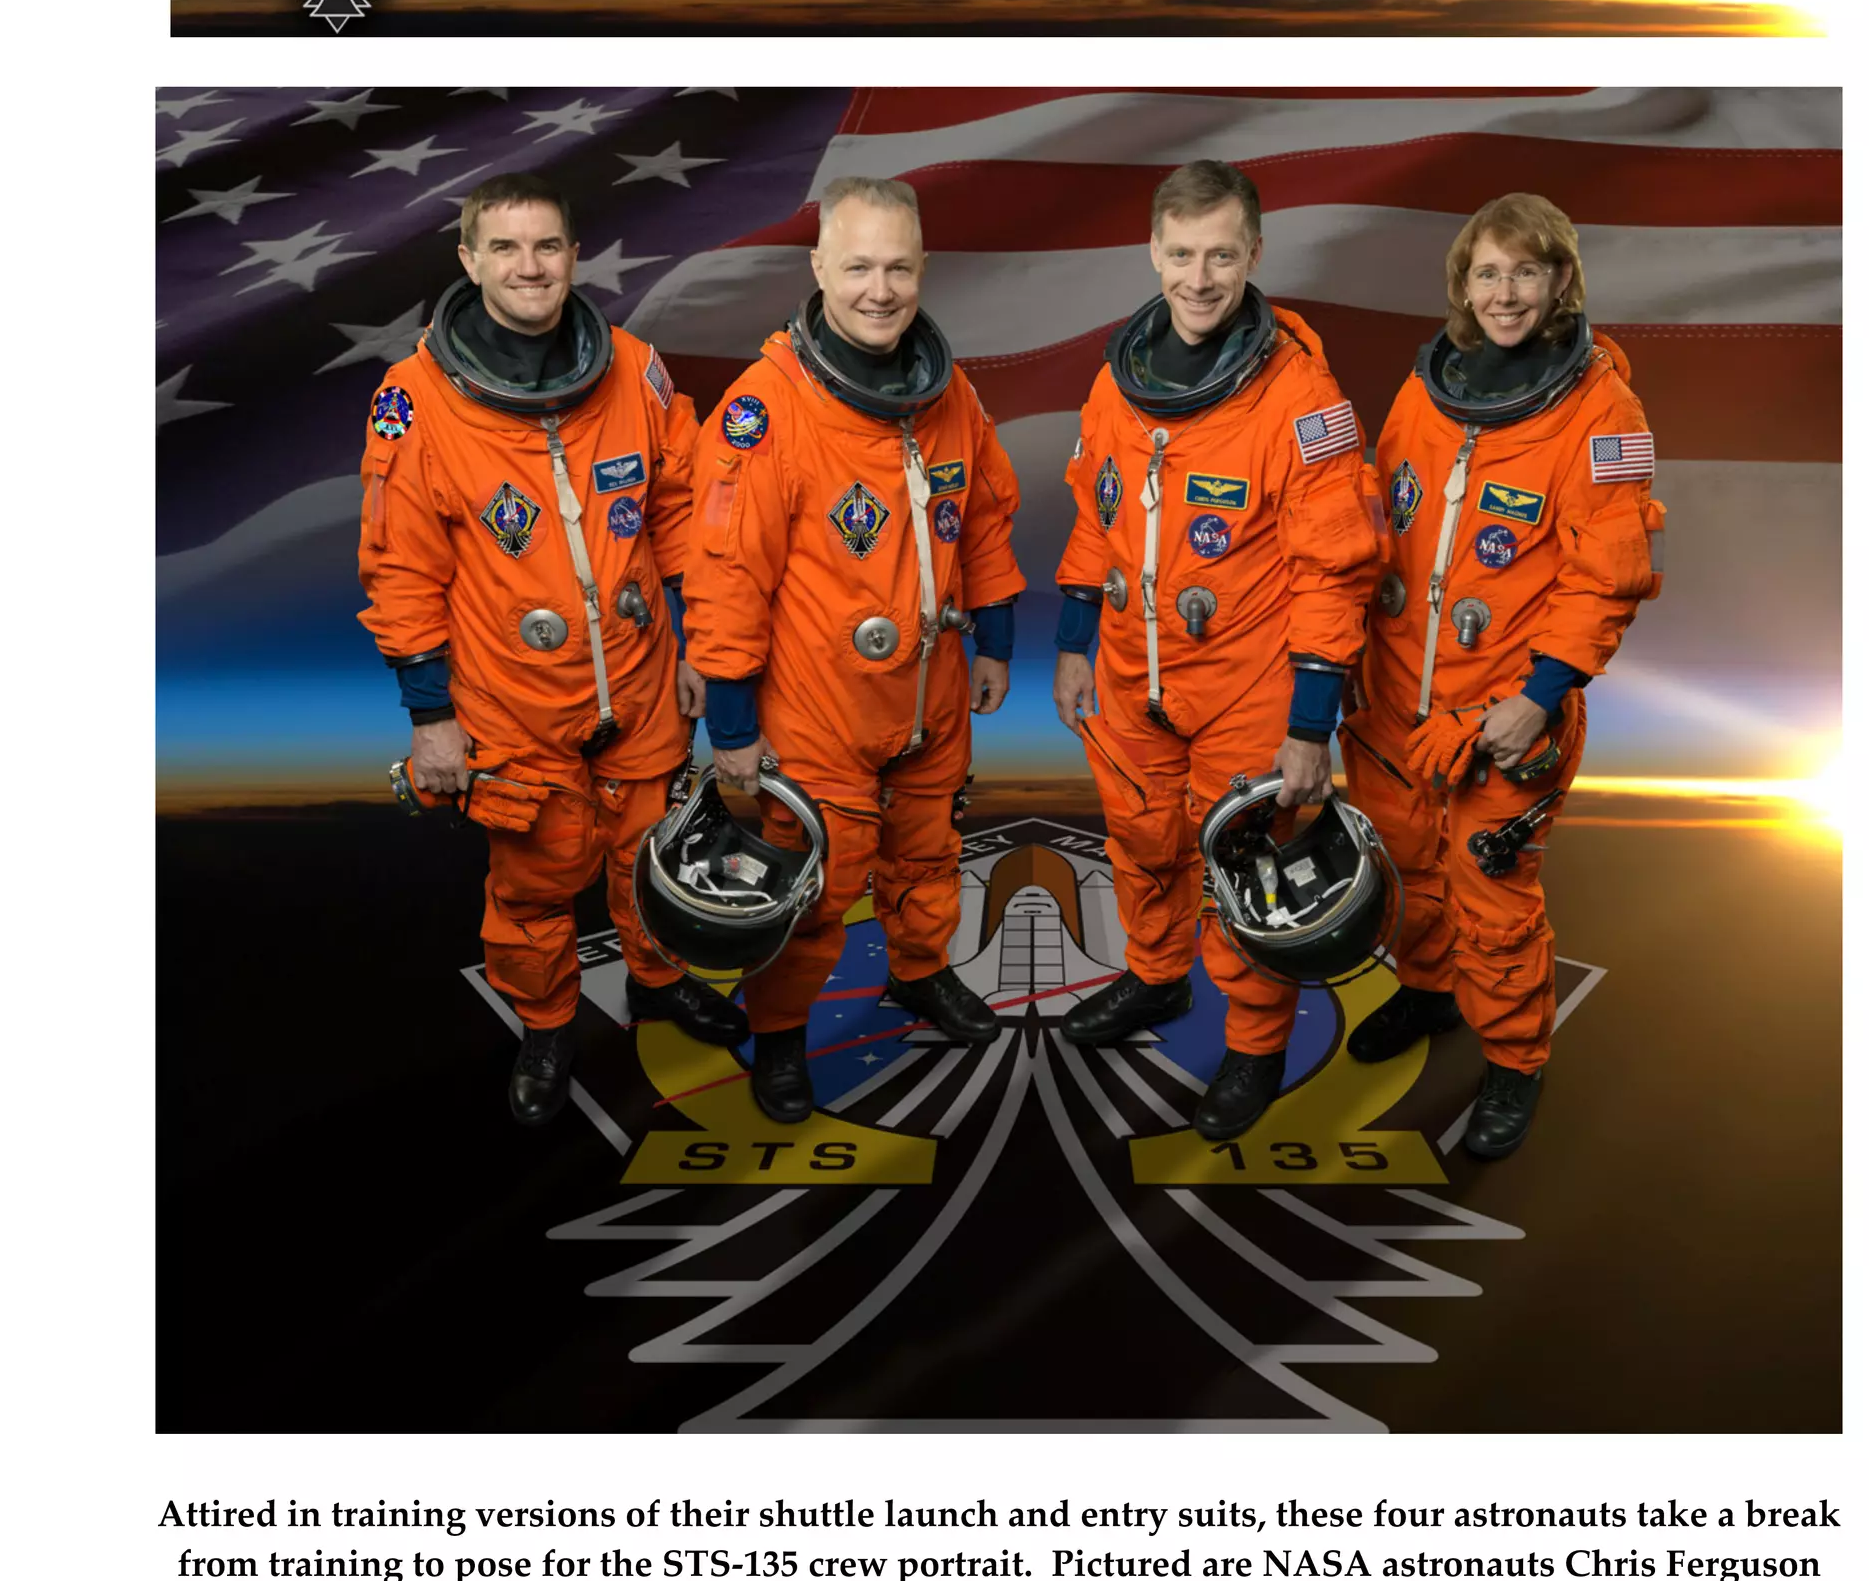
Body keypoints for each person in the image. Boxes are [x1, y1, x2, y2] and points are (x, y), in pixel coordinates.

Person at [357, 174, 747, 1126]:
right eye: (505, 248)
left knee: (654, 853)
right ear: (469, 260)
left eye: (546, 247)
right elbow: (399, 569)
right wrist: (431, 718)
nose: (529, 266)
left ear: (574, 255)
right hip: (511, 699)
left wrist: (700, 642)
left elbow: (680, 508)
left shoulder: (634, 367)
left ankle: (656, 982)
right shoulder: (415, 404)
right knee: (535, 879)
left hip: (644, 679)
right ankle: (546, 1020)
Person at [1050, 159, 1388, 1139]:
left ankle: (1251, 1048)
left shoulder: (1301, 399)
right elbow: (1093, 515)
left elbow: (1334, 571)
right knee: (1141, 842)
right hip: (1127, 671)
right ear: (1153, 251)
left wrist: (1309, 724)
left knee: (1250, 873)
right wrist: (1074, 640)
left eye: (1221, 255)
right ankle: (1154, 979)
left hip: (1245, 681)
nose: (1199, 278)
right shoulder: (1122, 375)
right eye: (1182, 254)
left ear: (1253, 254)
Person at [684, 176, 1026, 1125]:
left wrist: (992, 642)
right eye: (860, 267)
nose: (881, 290)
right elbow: (725, 580)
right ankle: (783, 1038)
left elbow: (984, 517)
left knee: (927, 853)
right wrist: (734, 723)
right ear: (819, 268)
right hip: (814, 708)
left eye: (900, 268)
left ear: (924, 269)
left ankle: (920, 972)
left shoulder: (946, 390)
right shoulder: (766, 413)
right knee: (812, 888)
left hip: (931, 691)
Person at [1343, 191, 1665, 1159]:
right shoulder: (1426, 389)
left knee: (1491, 897)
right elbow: (1381, 529)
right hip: (1396, 695)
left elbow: (1603, 576)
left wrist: (1540, 695)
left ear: (1560, 280)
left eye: (1525, 271)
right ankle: (1426, 991)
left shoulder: (1602, 411)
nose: (1504, 292)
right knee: (1404, 872)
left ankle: (1515, 1061)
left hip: (1504, 708)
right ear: (1462, 284)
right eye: (1487, 272)